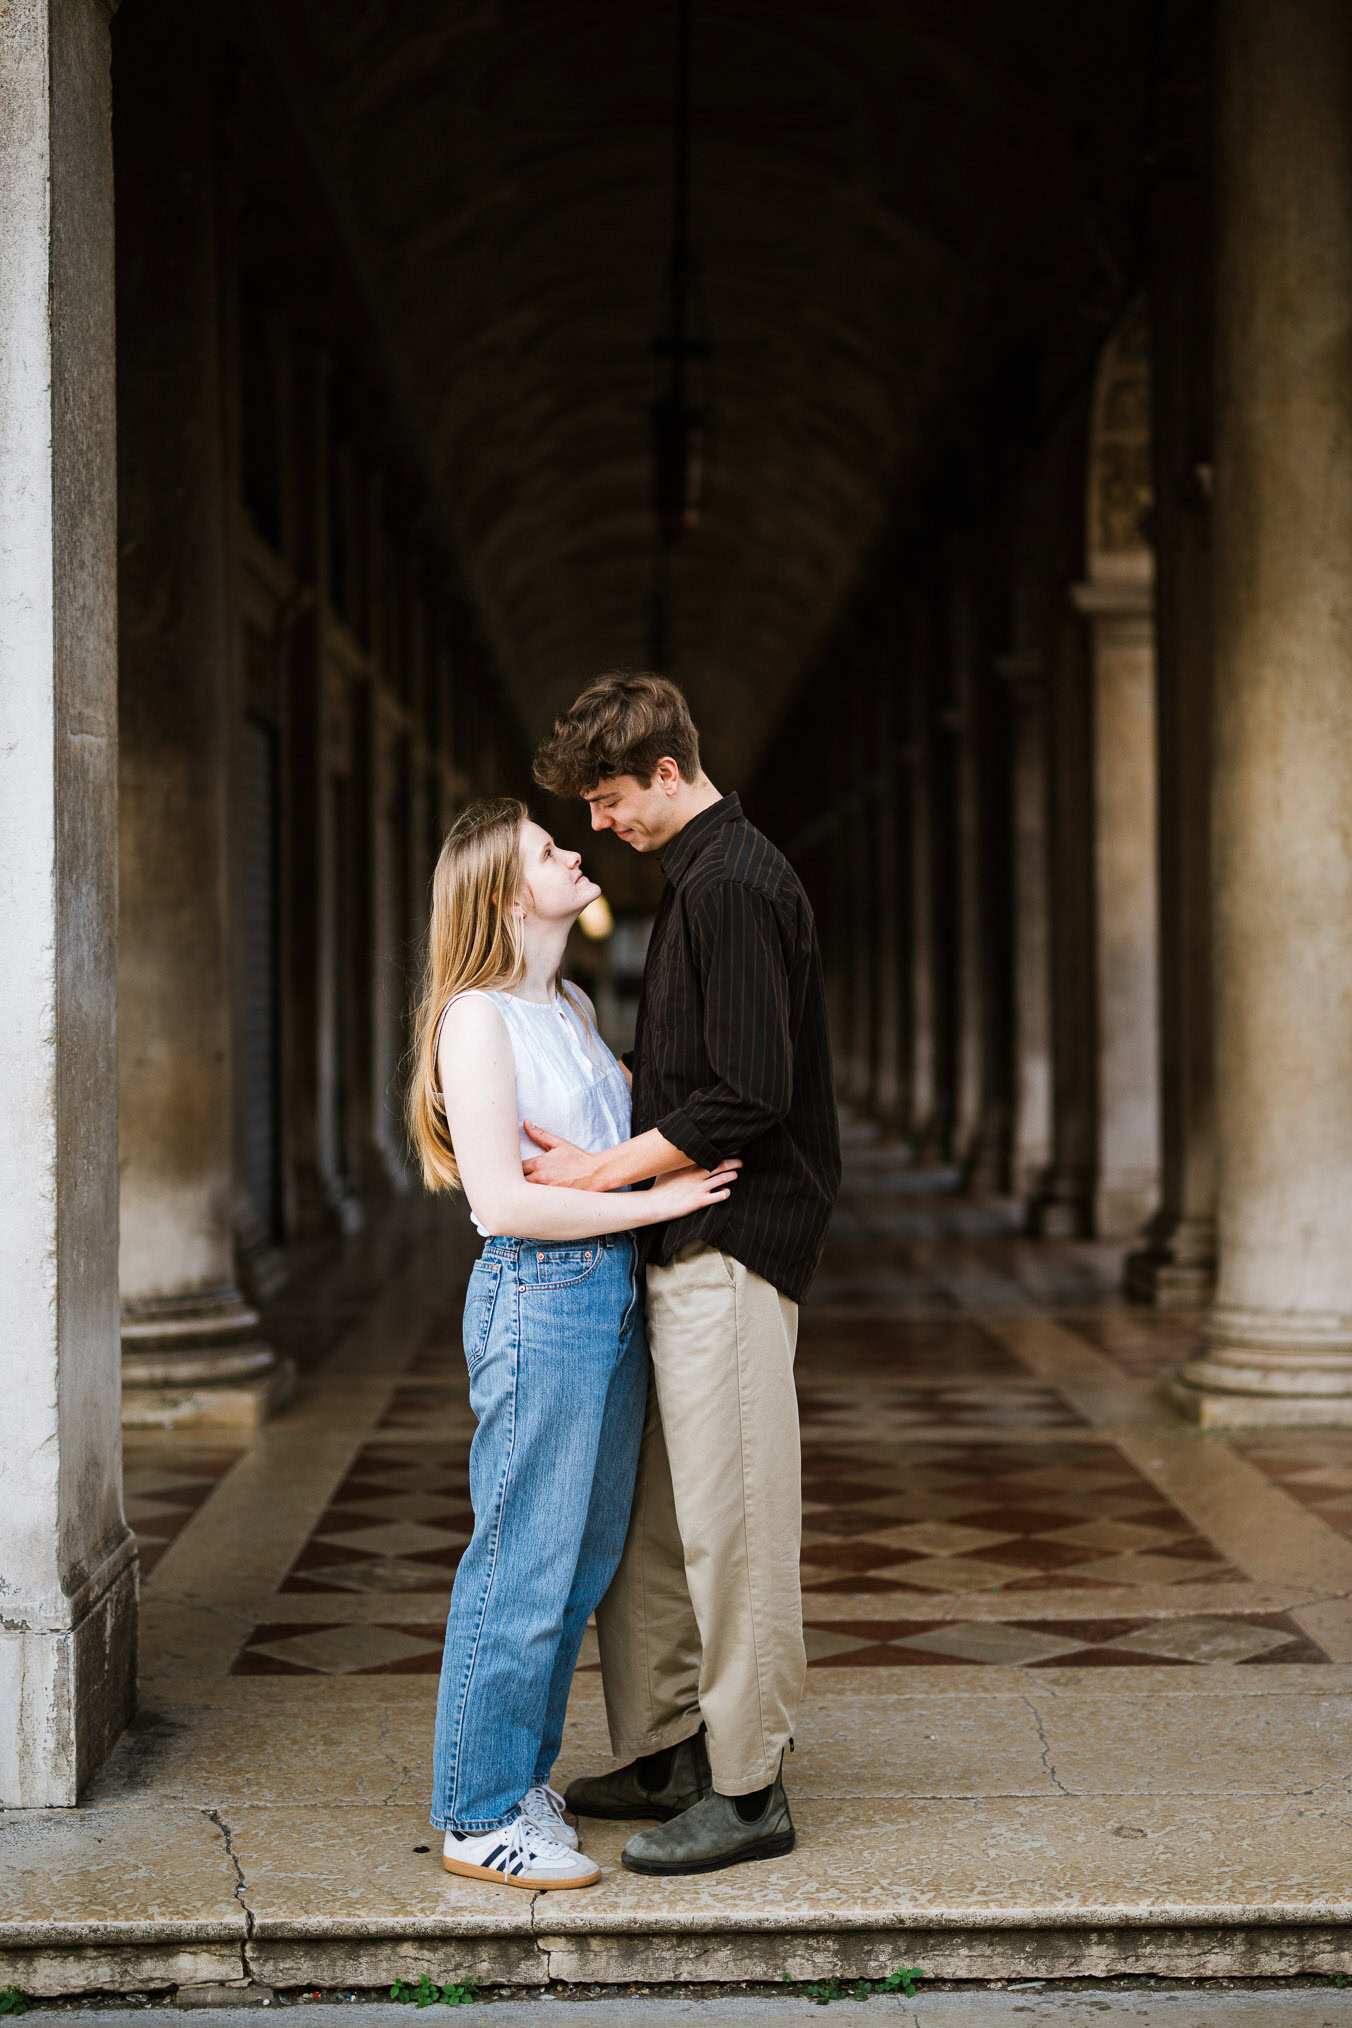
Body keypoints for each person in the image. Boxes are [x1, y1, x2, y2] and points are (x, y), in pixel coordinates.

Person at [529, 674, 842, 1875]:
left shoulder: (738, 884)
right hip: (679, 1239)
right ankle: (670, 1749)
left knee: (733, 1524)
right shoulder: (698, 882)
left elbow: (746, 1092)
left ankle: (750, 1785)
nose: (597, 825)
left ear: (667, 772)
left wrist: (607, 1172)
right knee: (653, 1527)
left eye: (608, 800)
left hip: (731, 1243)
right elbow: (690, 1071)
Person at [405, 795, 741, 1892]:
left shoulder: (571, 1007)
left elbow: (594, 1153)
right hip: (538, 1297)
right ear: (505, 894)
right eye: (549, 851)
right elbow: (504, 1205)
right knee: (522, 1562)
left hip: (603, 1297)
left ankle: (519, 1776)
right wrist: (655, 1201)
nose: (574, 851)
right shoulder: (475, 1019)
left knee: (583, 1559)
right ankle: (477, 1812)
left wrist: (631, 1169)